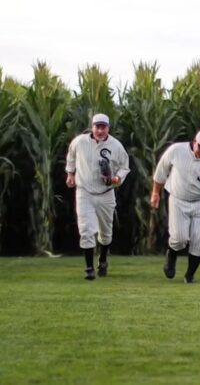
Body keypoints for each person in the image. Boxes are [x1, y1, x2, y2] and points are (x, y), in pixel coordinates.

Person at [151, 130, 200, 283]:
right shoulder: (177, 150)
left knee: (199, 240)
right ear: (194, 142)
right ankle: (171, 255)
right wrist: (155, 193)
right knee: (179, 238)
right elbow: (161, 171)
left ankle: (190, 275)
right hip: (178, 199)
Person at [66, 113, 130, 280]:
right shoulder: (79, 142)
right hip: (84, 191)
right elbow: (71, 158)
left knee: (106, 232)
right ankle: (89, 268)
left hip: (105, 193)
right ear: (92, 127)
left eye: (103, 127)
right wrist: (70, 174)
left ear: (108, 128)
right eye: (97, 127)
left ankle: (102, 259)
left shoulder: (116, 146)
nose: (100, 130)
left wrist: (116, 179)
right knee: (86, 230)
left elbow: (125, 167)